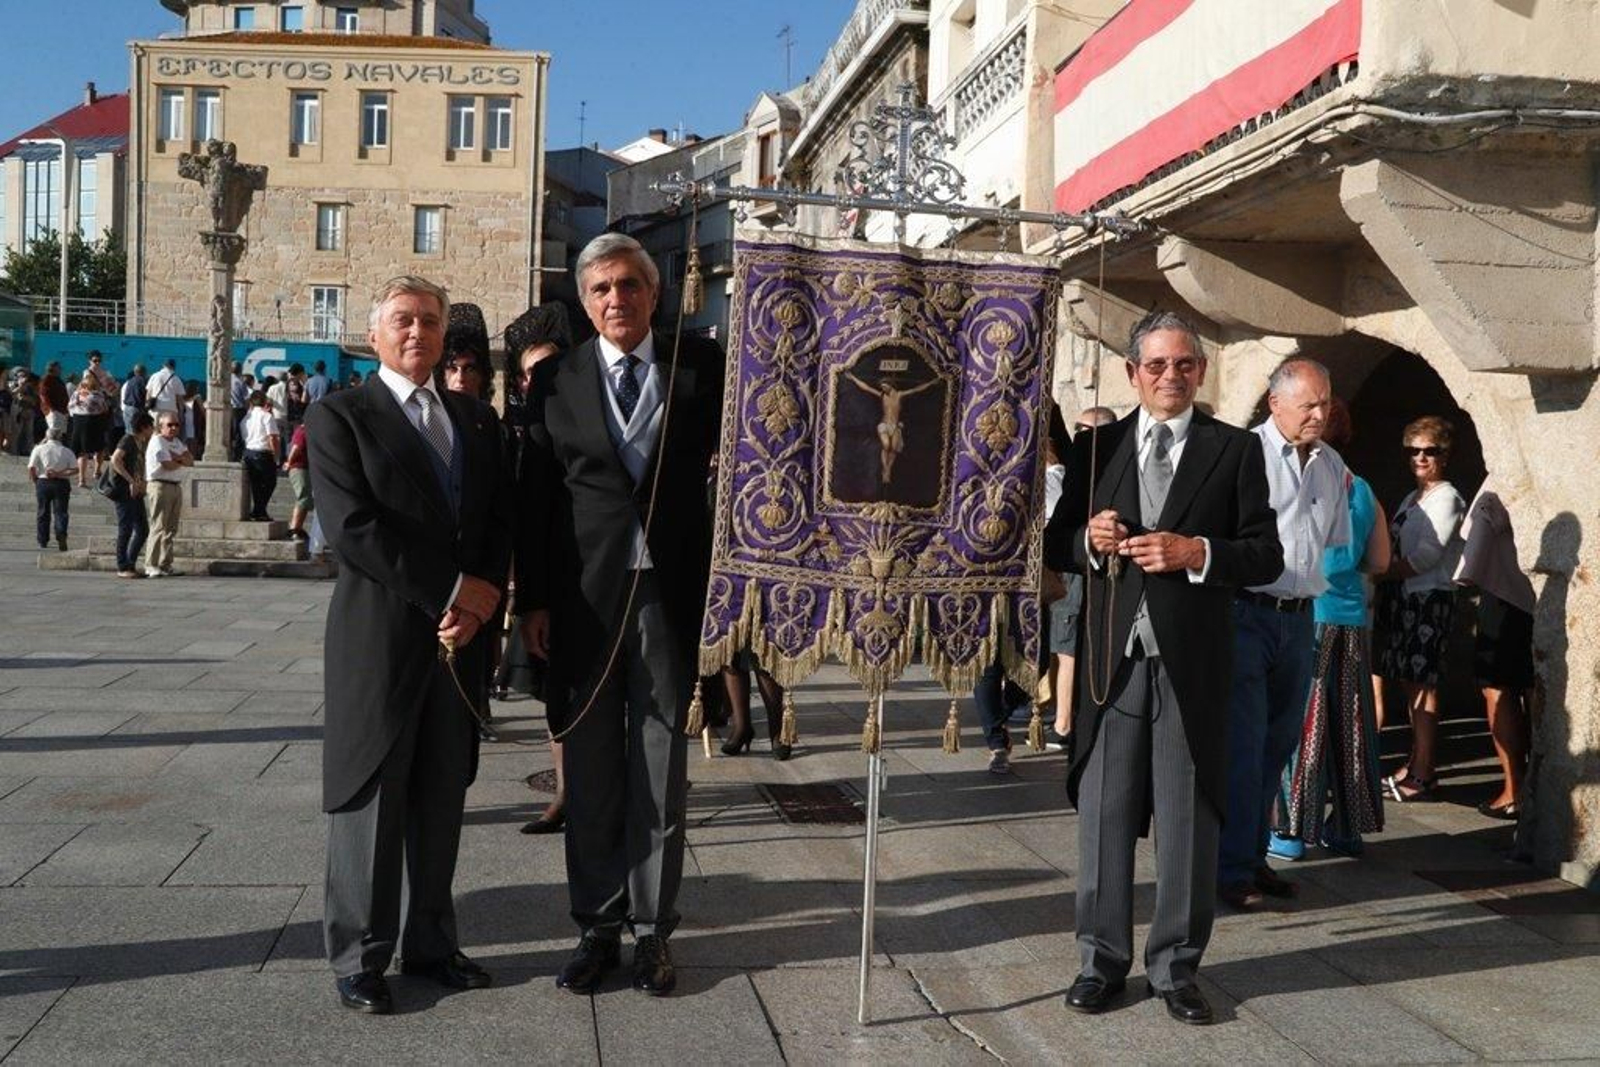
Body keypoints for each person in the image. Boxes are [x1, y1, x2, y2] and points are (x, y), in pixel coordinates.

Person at [1043, 310, 1282, 1026]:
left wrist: (1196, 553)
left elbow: (1264, 553)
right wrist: (1089, 538)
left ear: (1200, 372)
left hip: (1192, 663)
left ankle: (1176, 968)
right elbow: (1056, 543)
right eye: (1156, 365)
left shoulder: (1233, 450)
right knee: (1106, 813)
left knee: (1186, 817)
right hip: (1112, 664)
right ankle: (1100, 961)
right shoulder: (1098, 448)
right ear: (1132, 373)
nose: (1170, 377)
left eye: (1184, 365)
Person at [516, 233, 724, 997]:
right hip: (582, 599)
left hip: (672, 594)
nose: (616, 300)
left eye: (630, 285)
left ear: (654, 291)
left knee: (660, 768)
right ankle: (596, 928)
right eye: (601, 288)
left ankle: (651, 931)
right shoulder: (557, 381)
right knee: (596, 772)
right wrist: (532, 599)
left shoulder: (702, 366)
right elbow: (537, 496)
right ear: (583, 298)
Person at [308, 276, 511, 1016]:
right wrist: (457, 589)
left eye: (429, 319)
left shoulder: (473, 419)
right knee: (371, 797)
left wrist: (484, 595)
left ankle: (431, 940)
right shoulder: (342, 415)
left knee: (439, 795)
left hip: (458, 645)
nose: (418, 331)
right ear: (374, 333)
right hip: (382, 638)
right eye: (403, 320)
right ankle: (360, 955)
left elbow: (494, 518)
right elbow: (353, 528)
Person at [1218, 359, 1350, 904]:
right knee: (1242, 747)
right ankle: (1228, 873)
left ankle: (1253, 856)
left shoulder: (1330, 463)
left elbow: (1333, 541)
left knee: (1277, 746)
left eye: (1325, 404)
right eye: (1308, 404)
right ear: (1276, 404)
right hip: (1246, 613)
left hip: (1300, 618)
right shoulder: (1241, 455)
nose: (1319, 414)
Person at [1282, 398, 1390, 855]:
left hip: (1309, 613)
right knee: (1350, 724)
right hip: (1349, 617)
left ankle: (1290, 830)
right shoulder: (1362, 488)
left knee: (1304, 724)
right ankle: (1348, 826)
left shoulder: (1306, 481)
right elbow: (1381, 560)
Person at [501, 303, 573, 834]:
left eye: (544, 369)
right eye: (527, 373)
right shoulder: (514, 428)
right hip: (541, 580)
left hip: (583, 571)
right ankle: (567, 791)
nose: (535, 381)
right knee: (555, 695)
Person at [1376, 416, 1466, 802]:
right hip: (1404, 597)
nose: (1421, 458)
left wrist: (1377, 571)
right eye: (1413, 451)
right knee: (1409, 685)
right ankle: (1416, 764)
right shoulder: (1411, 498)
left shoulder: (1447, 497)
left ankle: (1425, 772)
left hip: (1428, 599)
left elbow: (1426, 557)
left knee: (1423, 686)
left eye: (1430, 451)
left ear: (1445, 455)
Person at [1453, 481, 1535, 819]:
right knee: (1534, 688)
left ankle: (1515, 789)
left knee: (1498, 690)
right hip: (1537, 595)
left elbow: (1477, 542)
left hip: (1508, 596)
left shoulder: (1502, 480)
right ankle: (1534, 788)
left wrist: (1466, 573)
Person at [1050, 405, 1117, 752]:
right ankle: (1065, 718)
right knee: (1065, 645)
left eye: (1085, 431)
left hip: (1108, 582)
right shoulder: (1074, 469)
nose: (1079, 439)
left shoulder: (1114, 466)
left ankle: (1066, 722)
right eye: (1076, 430)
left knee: (1072, 649)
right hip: (1076, 568)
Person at [144, 410, 193, 577]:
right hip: (160, 485)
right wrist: (179, 459)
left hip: (175, 485)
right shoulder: (157, 441)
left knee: (171, 528)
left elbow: (190, 460)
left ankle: (166, 563)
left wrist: (176, 458)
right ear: (160, 426)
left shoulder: (178, 442)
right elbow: (167, 465)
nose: (173, 428)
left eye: (176, 425)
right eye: (169, 425)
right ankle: (151, 564)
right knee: (158, 526)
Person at [110, 413, 156, 578]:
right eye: (151, 426)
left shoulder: (142, 443)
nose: (153, 430)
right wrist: (131, 481)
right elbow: (115, 460)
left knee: (142, 529)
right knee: (126, 528)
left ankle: (130, 563)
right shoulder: (127, 440)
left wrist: (141, 483)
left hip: (136, 491)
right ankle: (122, 566)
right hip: (123, 490)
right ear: (144, 427)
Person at [27, 424, 76, 551]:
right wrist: (59, 473)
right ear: (60, 437)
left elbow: (31, 467)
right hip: (61, 483)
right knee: (61, 512)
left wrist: (35, 479)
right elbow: (75, 469)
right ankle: (61, 533)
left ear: (47, 436)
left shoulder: (39, 449)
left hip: (43, 481)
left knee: (43, 511)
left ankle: (43, 539)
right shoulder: (67, 451)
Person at [240, 391, 280, 522]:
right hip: (263, 453)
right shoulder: (267, 416)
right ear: (264, 402)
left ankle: (259, 510)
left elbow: (243, 436)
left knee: (256, 484)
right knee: (270, 482)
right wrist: (276, 454)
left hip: (249, 452)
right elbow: (272, 437)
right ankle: (259, 510)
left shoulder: (246, 418)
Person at [67, 374, 111, 487]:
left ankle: (82, 479)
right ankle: (97, 471)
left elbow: (69, 408)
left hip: (78, 423)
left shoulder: (76, 394)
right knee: (99, 448)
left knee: (82, 452)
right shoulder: (97, 395)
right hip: (94, 422)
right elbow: (104, 408)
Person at [122, 364, 149, 432]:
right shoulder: (142, 381)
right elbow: (144, 394)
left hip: (127, 408)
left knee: (128, 431)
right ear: (144, 372)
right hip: (135, 409)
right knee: (136, 431)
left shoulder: (130, 381)